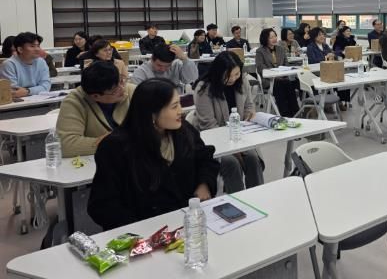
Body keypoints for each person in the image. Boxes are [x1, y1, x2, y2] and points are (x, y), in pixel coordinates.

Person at [88, 78, 218, 230]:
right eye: (174, 106)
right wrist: (139, 230)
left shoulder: (183, 131)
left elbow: (205, 159)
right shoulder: (115, 147)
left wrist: (204, 184)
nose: (180, 111)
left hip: (186, 222)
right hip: (142, 231)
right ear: (152, 114)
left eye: (179, 104)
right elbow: (102, 205)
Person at [191, 52, 264, 193]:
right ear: (218, 72)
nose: (233, 79)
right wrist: (235, 150)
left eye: (236, 74)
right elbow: (208, 125)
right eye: (228, 75)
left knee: (253, 159)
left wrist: (249, 116)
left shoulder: (242, 80)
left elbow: (249, 105)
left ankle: (256, 196)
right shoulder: (204, 88)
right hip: (213, 140)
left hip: (239, 136)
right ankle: (238, 200)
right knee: (231, 163)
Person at [56, 61, 135, 157]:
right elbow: (66, 145)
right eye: (114, 91)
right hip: (97, 161)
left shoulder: (133, 91)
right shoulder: (74, 102)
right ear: (95, 96)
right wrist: (112, 142)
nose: (122, 89)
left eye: (121, 81)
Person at [255, 28, 300, 117]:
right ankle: (285, 114)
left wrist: (283, 71)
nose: (274, 39)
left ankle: (295, 113)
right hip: (269, 80)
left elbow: (286, 64)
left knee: (289, 84)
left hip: (283, 77)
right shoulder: (260, 51)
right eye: (271, 37)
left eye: (275, 36)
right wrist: (275, 73)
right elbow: (260, 67)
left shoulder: (280, 49)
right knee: (280, 86)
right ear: (265, 39)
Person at [307, 27, 350, 110]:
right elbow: (313, 61)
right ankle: (330, 103)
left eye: (323, 35)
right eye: (319, 35)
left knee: (341, 77)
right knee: (335, 78)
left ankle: (341, 100)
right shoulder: (310, 47)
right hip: (317, 72)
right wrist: (326, 57)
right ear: (314, 37)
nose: (322, 37)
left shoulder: (325, 45)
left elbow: (332, 54)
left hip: (328, 70)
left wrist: (334, 55)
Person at [0, 32, 51, 98]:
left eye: (38, 46)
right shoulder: (9, 64)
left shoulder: (41, 62)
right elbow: (14, 91)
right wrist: (37, 89)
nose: (37, 49)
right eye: (32, 46)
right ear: (20, 49)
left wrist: (28, 91)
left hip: (40, 100)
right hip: (18, 102)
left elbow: (46, 86)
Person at [131, 43, 198, 93]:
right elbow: (138, 96)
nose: (163, 69)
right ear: (152, 59)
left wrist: (185, 59)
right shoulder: (141, 72)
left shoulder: (175, 64)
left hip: (176, 102)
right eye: (159, 65)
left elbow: (191, 79)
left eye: (167, 66)